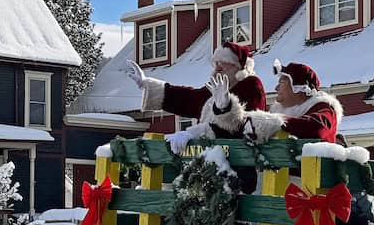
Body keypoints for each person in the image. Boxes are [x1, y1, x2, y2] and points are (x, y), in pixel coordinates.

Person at [125, 40, 266, 152]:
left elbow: (243, 125)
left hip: (241, 165)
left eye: (223, 63)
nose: (217, 68)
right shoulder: (215, 89)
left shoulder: (251, 86)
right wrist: (147, 84)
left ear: (238, 68)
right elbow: (190, 99)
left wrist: (196, 132)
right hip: (211, 160)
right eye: (216, 63)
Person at [241, 60, 342, 143]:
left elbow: (319, 128)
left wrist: (278, 122)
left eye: (282, 83)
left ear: (297, 87)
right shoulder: (278, 111)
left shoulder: (323, 108)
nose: (276, 88)